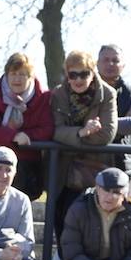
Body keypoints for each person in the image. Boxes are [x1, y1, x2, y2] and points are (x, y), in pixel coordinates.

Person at [0, 51, 52, 198]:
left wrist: (28, 136)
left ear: (30, 77)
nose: (17, 79)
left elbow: (47, 129)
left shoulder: (43, 98)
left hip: (26, 168)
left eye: (22, 74)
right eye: (13, 74)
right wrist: (12, 136)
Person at [49, 50, 115, 233]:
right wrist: (82, 132)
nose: (78, 79)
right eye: (73, 74)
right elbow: (54, 131)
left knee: (90, 229)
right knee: (61, 224)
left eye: (84, 74)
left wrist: (70, 138)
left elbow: (106, 134)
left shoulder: (108, 94)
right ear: (67, 75)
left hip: (93, 172)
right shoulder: (58, 95)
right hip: (62, 174)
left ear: (93, 72)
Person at [97, 44, 131, 175]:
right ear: (97, 63)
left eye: (115, 60)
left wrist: (99, 126)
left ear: (123, 65)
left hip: (123, 164)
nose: (110, 64)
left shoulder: (130, 93)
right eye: (106, 60)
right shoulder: (85, 89)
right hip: (89, 162)